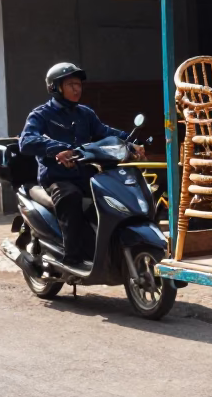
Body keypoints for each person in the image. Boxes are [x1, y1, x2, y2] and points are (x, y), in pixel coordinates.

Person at [19, 63, 142, 272]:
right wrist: (56, 149)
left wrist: (129, 142)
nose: (77, 89)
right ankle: (72, 256)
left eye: (78, 84)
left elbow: (104, 131)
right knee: (70, 197)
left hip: (85, 173)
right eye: (71, 84)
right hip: (57, 177)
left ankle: (107, 248)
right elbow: (26, 141)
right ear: (55, 87)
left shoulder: (85, 113)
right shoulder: (41, 114)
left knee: (115, 194)